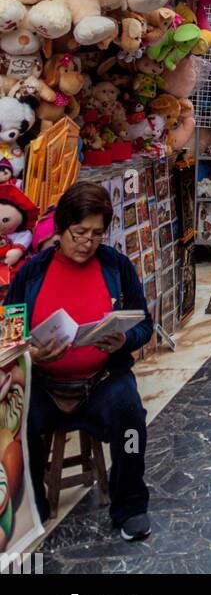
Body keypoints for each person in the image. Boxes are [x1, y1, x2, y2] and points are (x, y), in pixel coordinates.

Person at [7, 180, 153, 541]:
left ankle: (130, 504)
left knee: (131, 421)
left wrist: (123, 340)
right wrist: (32, 353)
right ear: (61, 229)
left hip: (101, 380)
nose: (87, 242)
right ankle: (32, 506)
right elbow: (9, 332)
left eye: (97, 234)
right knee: (12, 423)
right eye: (79, 232)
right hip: (45, 384)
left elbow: (145, 325)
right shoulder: (31, 272)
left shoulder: (116, 266)